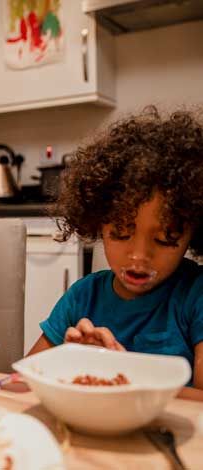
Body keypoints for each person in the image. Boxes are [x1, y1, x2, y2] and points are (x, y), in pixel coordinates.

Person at [28, 107, 203, 400]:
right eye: (121, 233)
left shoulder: (195, 296)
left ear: (193, 232)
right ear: (98, 222)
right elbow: (21, 382)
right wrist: (71, 365)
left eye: (163, 239)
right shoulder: (83, 296)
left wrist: (123, 374)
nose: (138, 255)